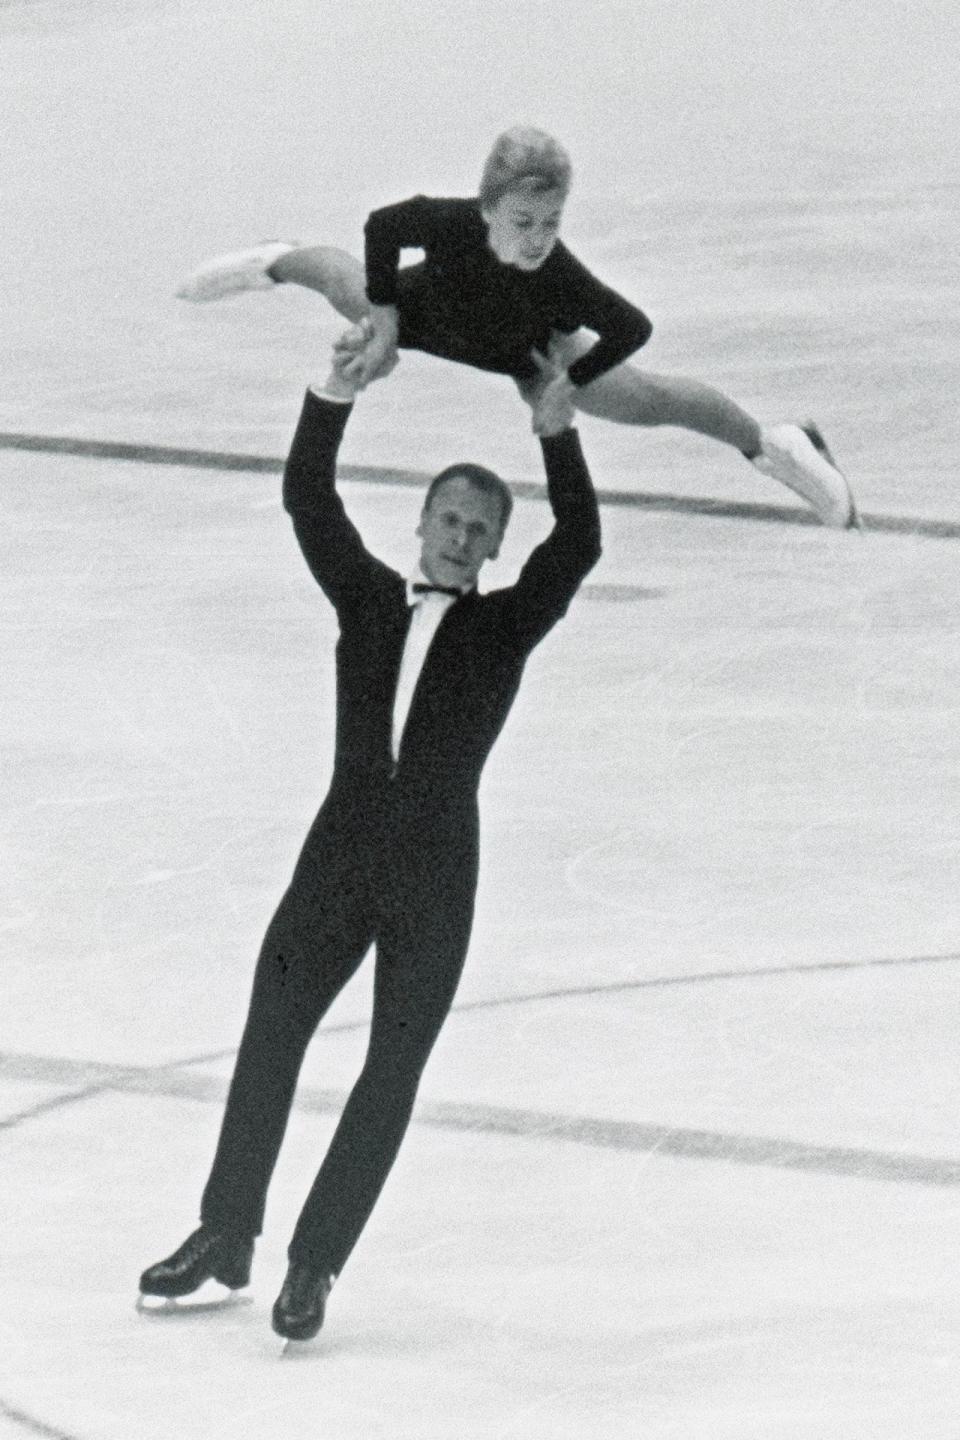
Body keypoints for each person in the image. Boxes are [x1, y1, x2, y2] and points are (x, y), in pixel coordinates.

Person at [138, 339, 601, 1343]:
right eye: (448, 519)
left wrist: (557, 433)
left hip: (436, 876)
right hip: (338, 856)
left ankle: (313, 1266)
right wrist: (334, 392)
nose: (459, 538)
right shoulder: (367, 599)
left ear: (489, 550)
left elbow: (581, 546)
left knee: (389, 1074)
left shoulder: (506, 628)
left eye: (479, 531)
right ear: (424, 520)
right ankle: (225, 1233)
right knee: (270, 1036)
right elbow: (310, 497)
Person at [177, 125, 858, 529]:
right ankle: (272, 261)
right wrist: (384, 315)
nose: (538, 239)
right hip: (427, 312)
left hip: (527, 348)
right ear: (488, 209)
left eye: (552, 223)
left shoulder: (561, 276)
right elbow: (384, 225)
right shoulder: (449, 222)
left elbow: (631, 326)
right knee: (341, 284)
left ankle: (774, 445)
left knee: (649, 401)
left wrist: (569, 381)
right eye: (524, 223)